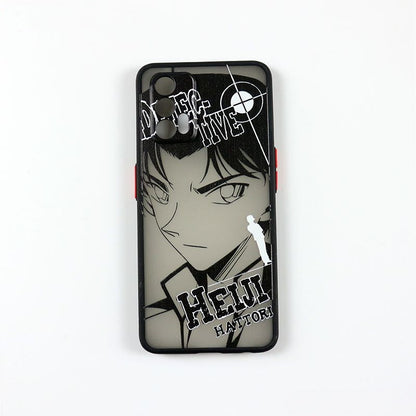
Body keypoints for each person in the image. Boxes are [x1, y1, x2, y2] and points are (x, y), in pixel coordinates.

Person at [141, 73, 273, 348]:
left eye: (226, 191)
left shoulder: (274, 285)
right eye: (159, 191)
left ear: (267, 182)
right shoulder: (161, 313)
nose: (173, 224)